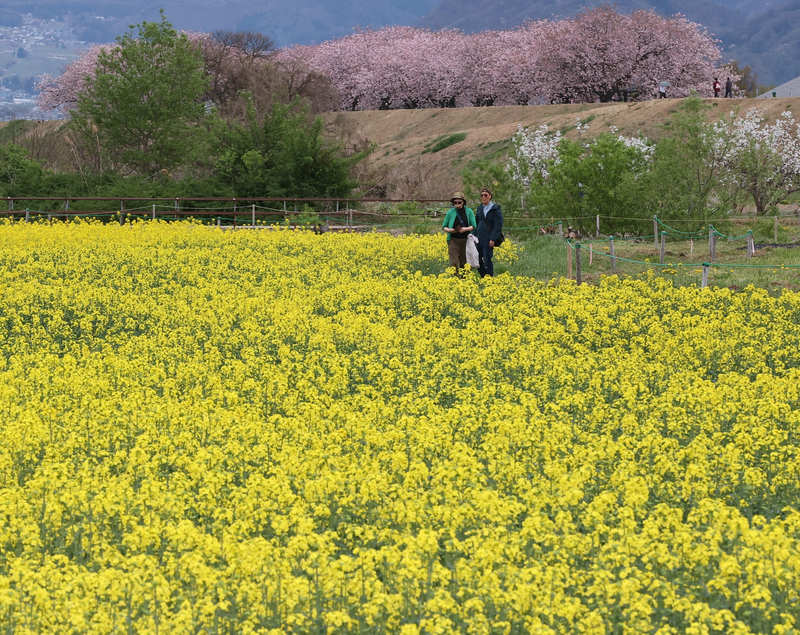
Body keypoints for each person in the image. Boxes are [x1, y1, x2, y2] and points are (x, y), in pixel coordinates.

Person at [442, 191, 475, 276]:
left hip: (465, 240)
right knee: (453, 263)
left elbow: (474, 226)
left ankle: (465, 282)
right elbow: (444, 226)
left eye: (459, 202)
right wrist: (450, 230)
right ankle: (455, 280)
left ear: (463, 202)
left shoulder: (469, 211)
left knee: (465, 263)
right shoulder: (450, 212)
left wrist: (465, 229)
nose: (457, 203)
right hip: (453, 240)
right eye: (455, 202)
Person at [475, 188, 503, 277]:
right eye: (482, 195)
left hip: (488, 239)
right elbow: (476, 223)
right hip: (479, 238)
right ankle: (484, 276)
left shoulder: (495, 210)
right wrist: (473, 236)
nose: (483, 197)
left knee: (487, 260)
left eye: (486, 195)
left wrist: (493, 238)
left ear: (490, 196)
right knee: (477, 259)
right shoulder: (479, 208)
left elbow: (498, 226)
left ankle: (489, 278)